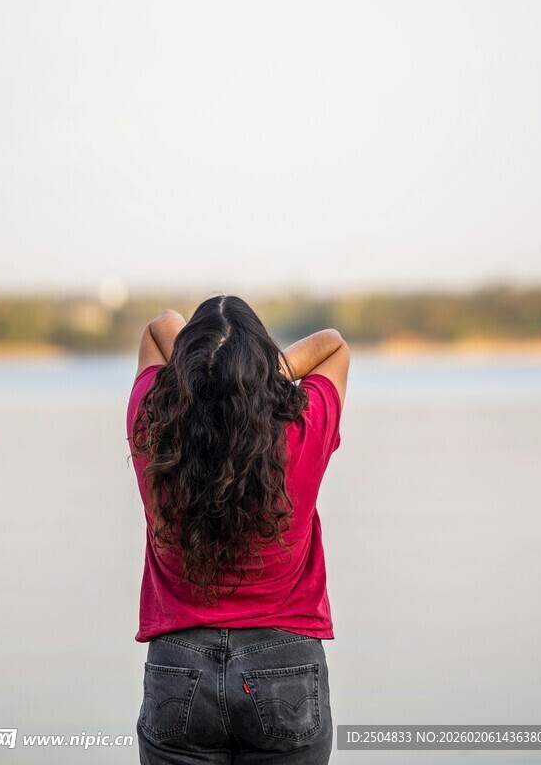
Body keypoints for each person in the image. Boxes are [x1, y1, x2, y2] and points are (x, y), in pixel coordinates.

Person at [126, 293, 350, 764]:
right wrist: (253, 379)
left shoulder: (154, 427)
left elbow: (161, 326)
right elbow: (332, 346)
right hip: (284, 663)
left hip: (178, 665)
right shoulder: (300, 430)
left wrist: (203, 373)